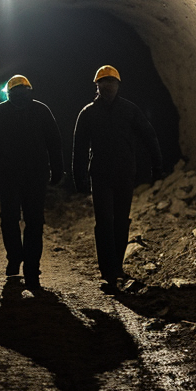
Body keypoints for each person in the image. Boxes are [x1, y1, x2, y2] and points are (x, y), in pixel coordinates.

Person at [72, 65, 162, 290]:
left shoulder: (129, 110)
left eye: (112, 83)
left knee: (121, 222)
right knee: (104, 223)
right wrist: (79, 177)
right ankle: (108, 271)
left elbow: (149, 136)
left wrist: (157, 165)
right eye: (104, 83)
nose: (108, 86)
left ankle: (117, 267)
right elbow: (79, 147)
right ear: (98, 86)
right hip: (100, 175)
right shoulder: (88, 113)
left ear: (118, 85)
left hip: (124, 174)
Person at [0, 74, 63, 288]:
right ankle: (31, 269)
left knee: (9, 220)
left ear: (8, 92)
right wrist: (57, 170)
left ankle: (15, 260)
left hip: (9, 177)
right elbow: (54, 143)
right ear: (29, 90)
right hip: (35, 176)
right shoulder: (41, 110)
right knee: (35, 222)